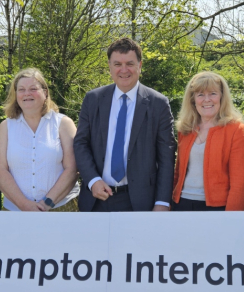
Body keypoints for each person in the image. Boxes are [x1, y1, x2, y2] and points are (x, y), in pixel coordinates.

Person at [73, 37, 176, 212]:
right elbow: (81, 143)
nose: (124, 70)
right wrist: (92, 180)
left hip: (141, 201)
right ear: (109, 67)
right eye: (117, 64)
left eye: (129, 63)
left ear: (140, 65)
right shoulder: (93, 99)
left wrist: (162, 202)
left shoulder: (158, 104)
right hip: (96, 198)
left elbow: (166, 157)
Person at [0, 68, 79, 211]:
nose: (27, 93)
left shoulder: (63, 124)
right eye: (21, 89)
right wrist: (24, 205)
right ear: (16, 94)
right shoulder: (5, 127)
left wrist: (47, 203)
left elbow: (73, 168)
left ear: (45, 92)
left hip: (61, 208)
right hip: (16, 211)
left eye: (33, 88)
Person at [172, 71, 244, 211]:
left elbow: (240, 183)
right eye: (200, 94)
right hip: (181, 204)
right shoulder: (185, 129)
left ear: (222, 97)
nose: (206, 99)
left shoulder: (237, 130)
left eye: (213, 93)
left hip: (217, 208)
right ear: (193, 99)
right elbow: (178, 173)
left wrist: (232, 218)